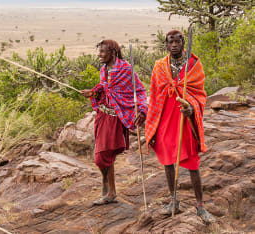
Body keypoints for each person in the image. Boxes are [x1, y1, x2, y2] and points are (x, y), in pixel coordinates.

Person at [145, 30, 214, 223]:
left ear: (183, 44)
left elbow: (200, 94)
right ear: (166, 45)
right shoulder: (159, 66)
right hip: (165, 119)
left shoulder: (193, 65)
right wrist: (149, 119)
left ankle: (200, 206)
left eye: (177, 41)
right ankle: (173, 200)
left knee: (192, 162)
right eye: (170, 42)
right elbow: (155, 93)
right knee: (168, 160)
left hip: (185, 120)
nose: (174, 45)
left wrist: (191, 108)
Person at [80, 40, 147, 205]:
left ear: (113, 53)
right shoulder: (104, 70)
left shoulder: (125, 69)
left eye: (103, 52)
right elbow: (104, 88)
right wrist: (93, 92)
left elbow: (139, 90)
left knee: (103, 156)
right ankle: (109, 189)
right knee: (102, 156)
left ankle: (110, 192)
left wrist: (142, 110)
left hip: (115, 117)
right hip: (102, 115)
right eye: (100, 51)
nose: (100, 55)